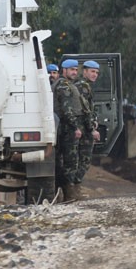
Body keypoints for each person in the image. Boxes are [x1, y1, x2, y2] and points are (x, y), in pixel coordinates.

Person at [53, 59, 86, 201]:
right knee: (70, 162)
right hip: (67, 128)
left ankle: (69, 194)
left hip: (68, 126)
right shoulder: (63, 86)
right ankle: (70, 195)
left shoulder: (67, 85)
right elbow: (67, 110)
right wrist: (75, 127)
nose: (74, 72)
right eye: (71, 70)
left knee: (68, 161)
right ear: (64, 70)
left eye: (75, 70)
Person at [72, 60, 102, 197]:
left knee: (78, 160)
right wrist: (92, 130)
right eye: (92, 71)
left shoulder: (83, 85)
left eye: (96, 72)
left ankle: (74, 189)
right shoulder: (83, 86)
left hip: (81, 128)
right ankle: (74, 189)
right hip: (82, 130)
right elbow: (85, 111)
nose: (95, 74)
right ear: (84, 72)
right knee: (83, 160)